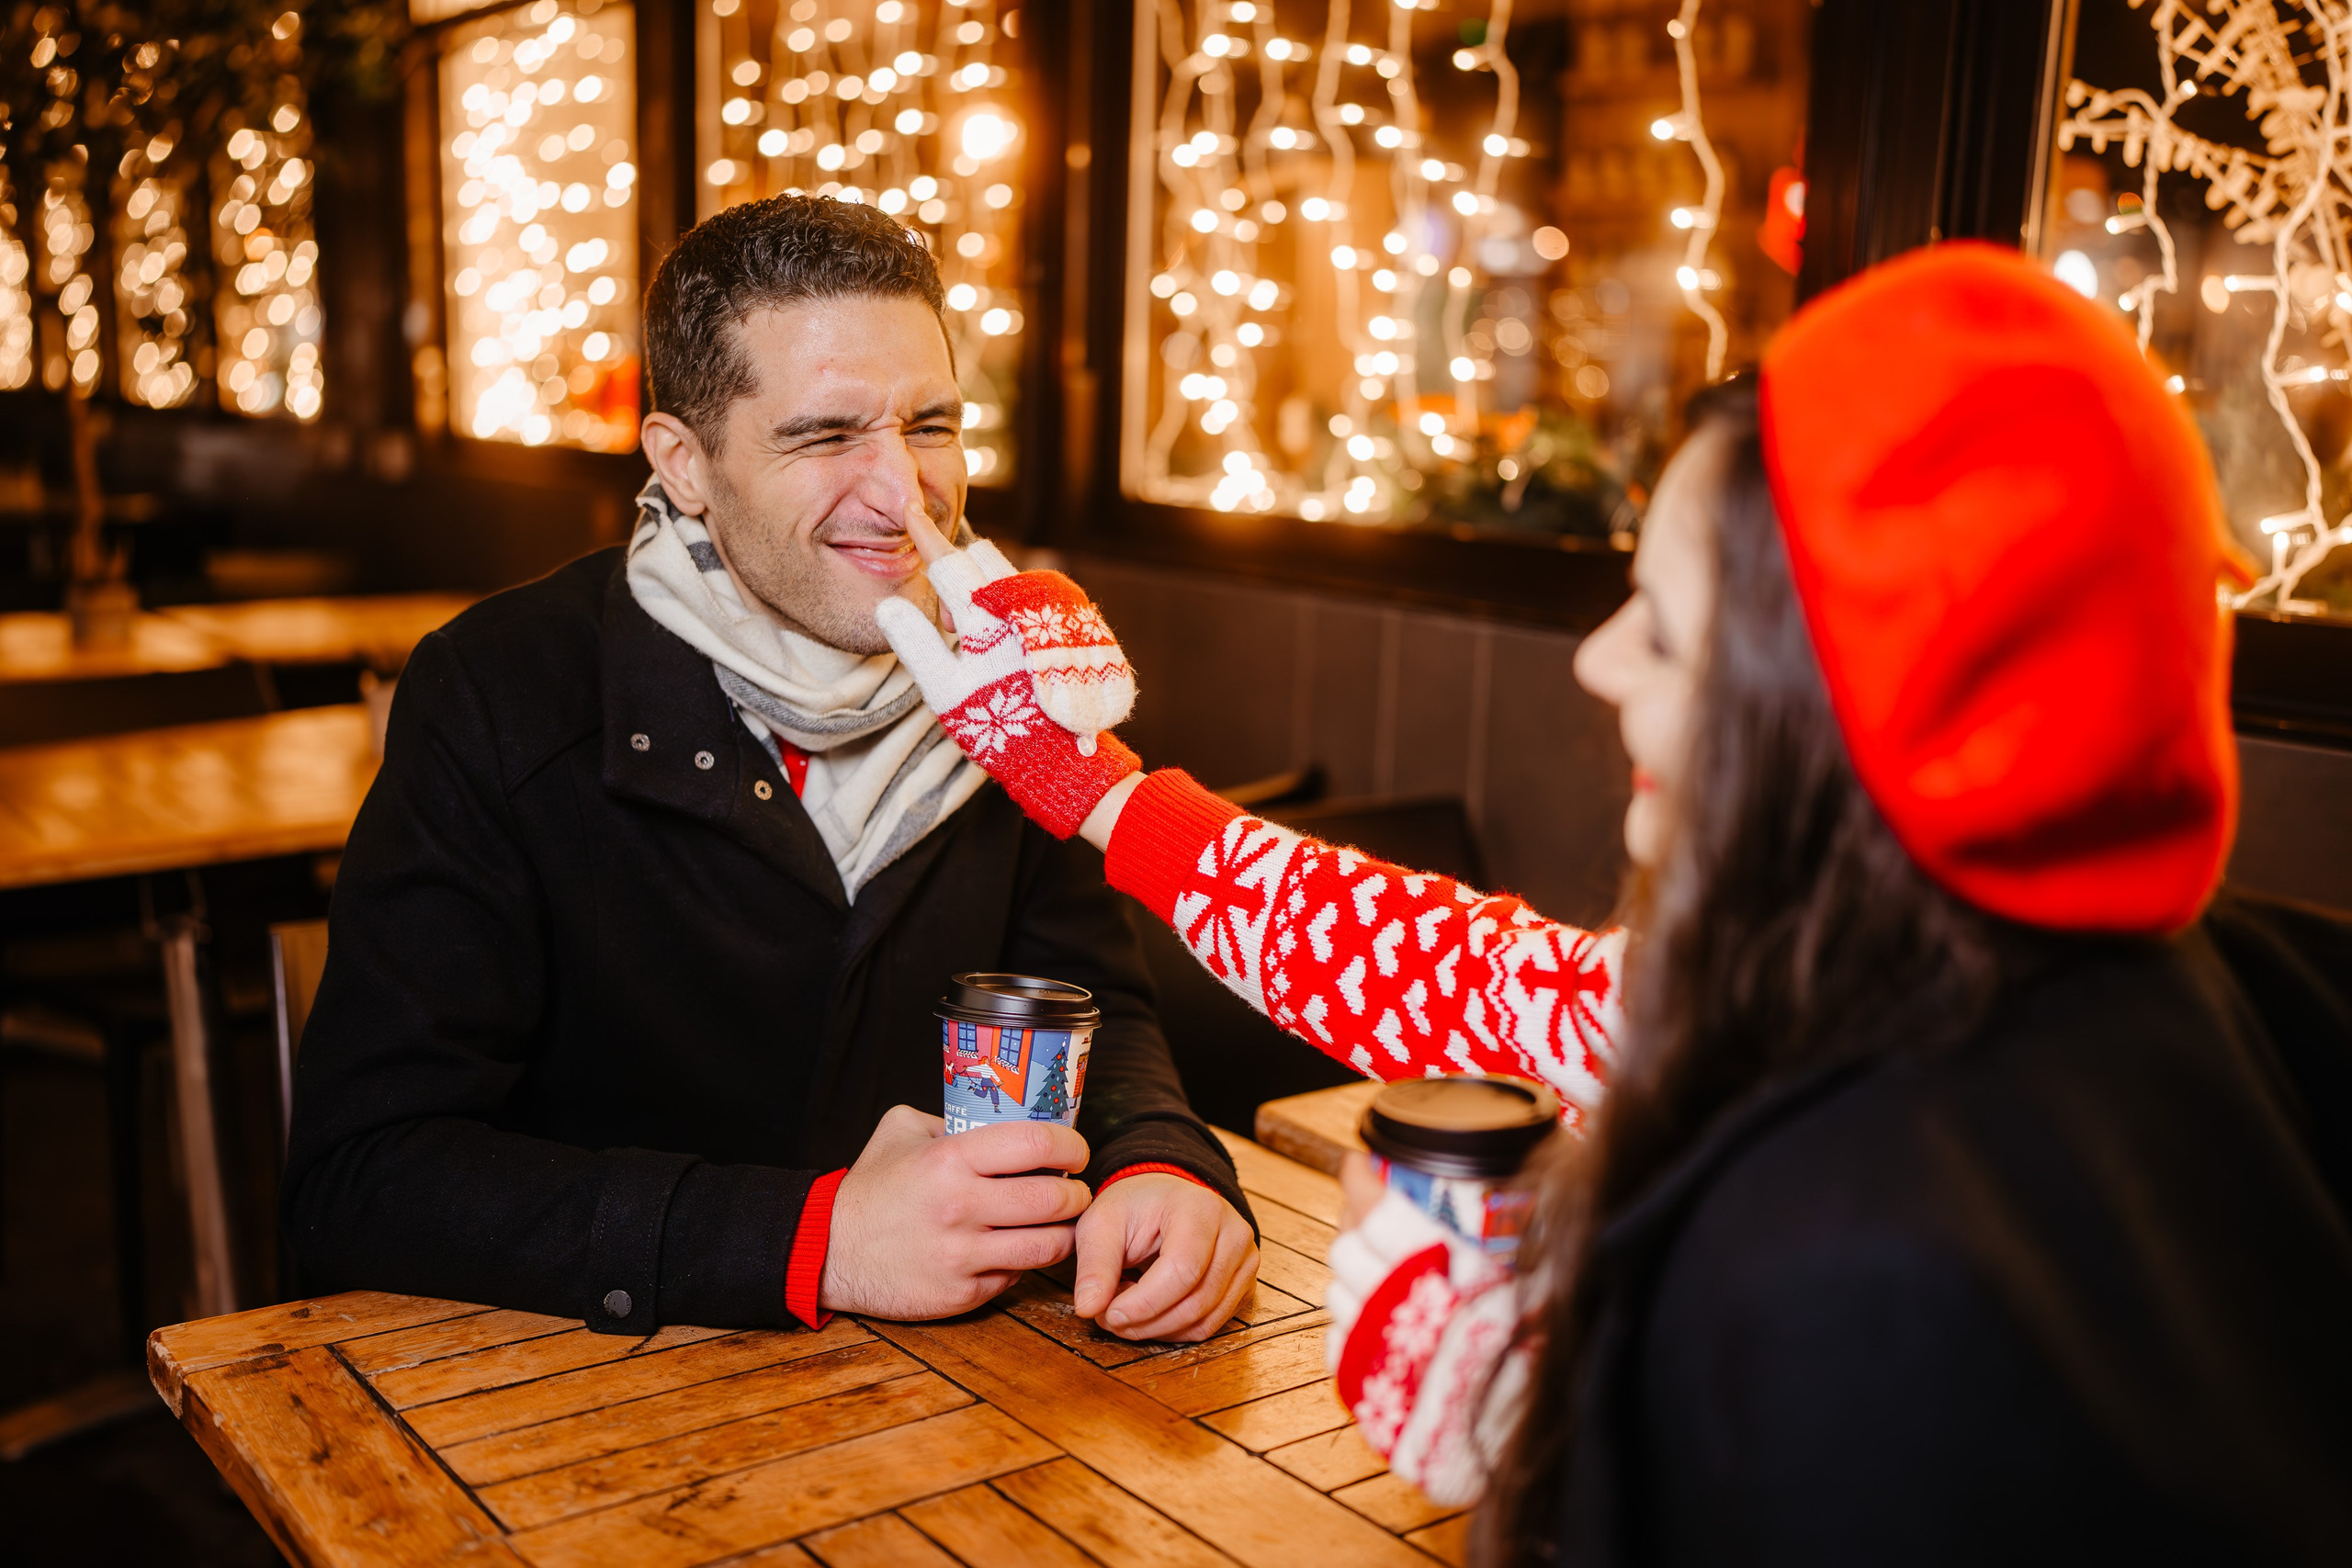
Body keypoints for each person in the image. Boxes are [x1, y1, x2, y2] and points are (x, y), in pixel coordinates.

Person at [879, 243, 2352, 1560]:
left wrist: (1566, 1429)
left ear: (1839, 702)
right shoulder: (2187, 975)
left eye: (1666, 624)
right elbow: (1468, 974)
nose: (1598, 660)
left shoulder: (1854, 1244)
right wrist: (1104, 791)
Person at [283, 196, 1259, 1345]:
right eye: (824, 436)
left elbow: (1089, 1006)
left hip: (972, 1381)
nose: (903, 492)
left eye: (930, 425)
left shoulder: (1009, 675)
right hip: (594, 1393)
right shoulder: (498, 691)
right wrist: (811, 1238)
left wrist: (1165, 1163)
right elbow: (362, 1179)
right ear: (684, 463)